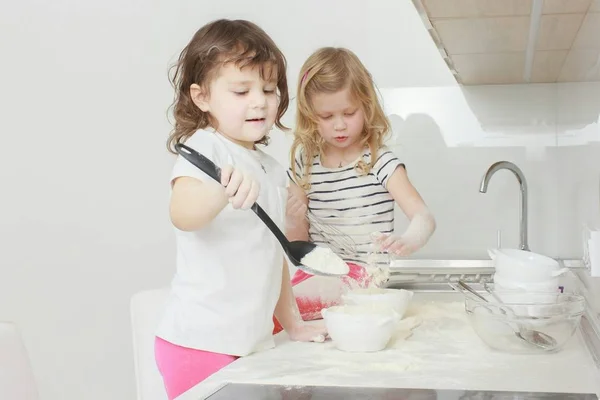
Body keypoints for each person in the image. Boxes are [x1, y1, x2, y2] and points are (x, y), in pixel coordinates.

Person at [154, 19, 327, 400]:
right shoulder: (206, 148)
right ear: (202, 98)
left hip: (249, 342)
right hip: (200, 343)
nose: (259, 101)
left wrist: (293, 324)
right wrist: (218, 192)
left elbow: (274, 254)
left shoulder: (269, 167)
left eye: (268, 89)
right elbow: (182, 214)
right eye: (240, 90)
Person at [285, 47, 436, 321]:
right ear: (310, 115)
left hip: (364, 281)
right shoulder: (304, 164)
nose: (339, 125)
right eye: (327, 117)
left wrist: (408, 240)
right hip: (317, 276)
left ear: (366, 106)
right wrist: (292, 218)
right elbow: (299, 245)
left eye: (349, 113)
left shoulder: (379, 161)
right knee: (274, 308)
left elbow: (423, 217)